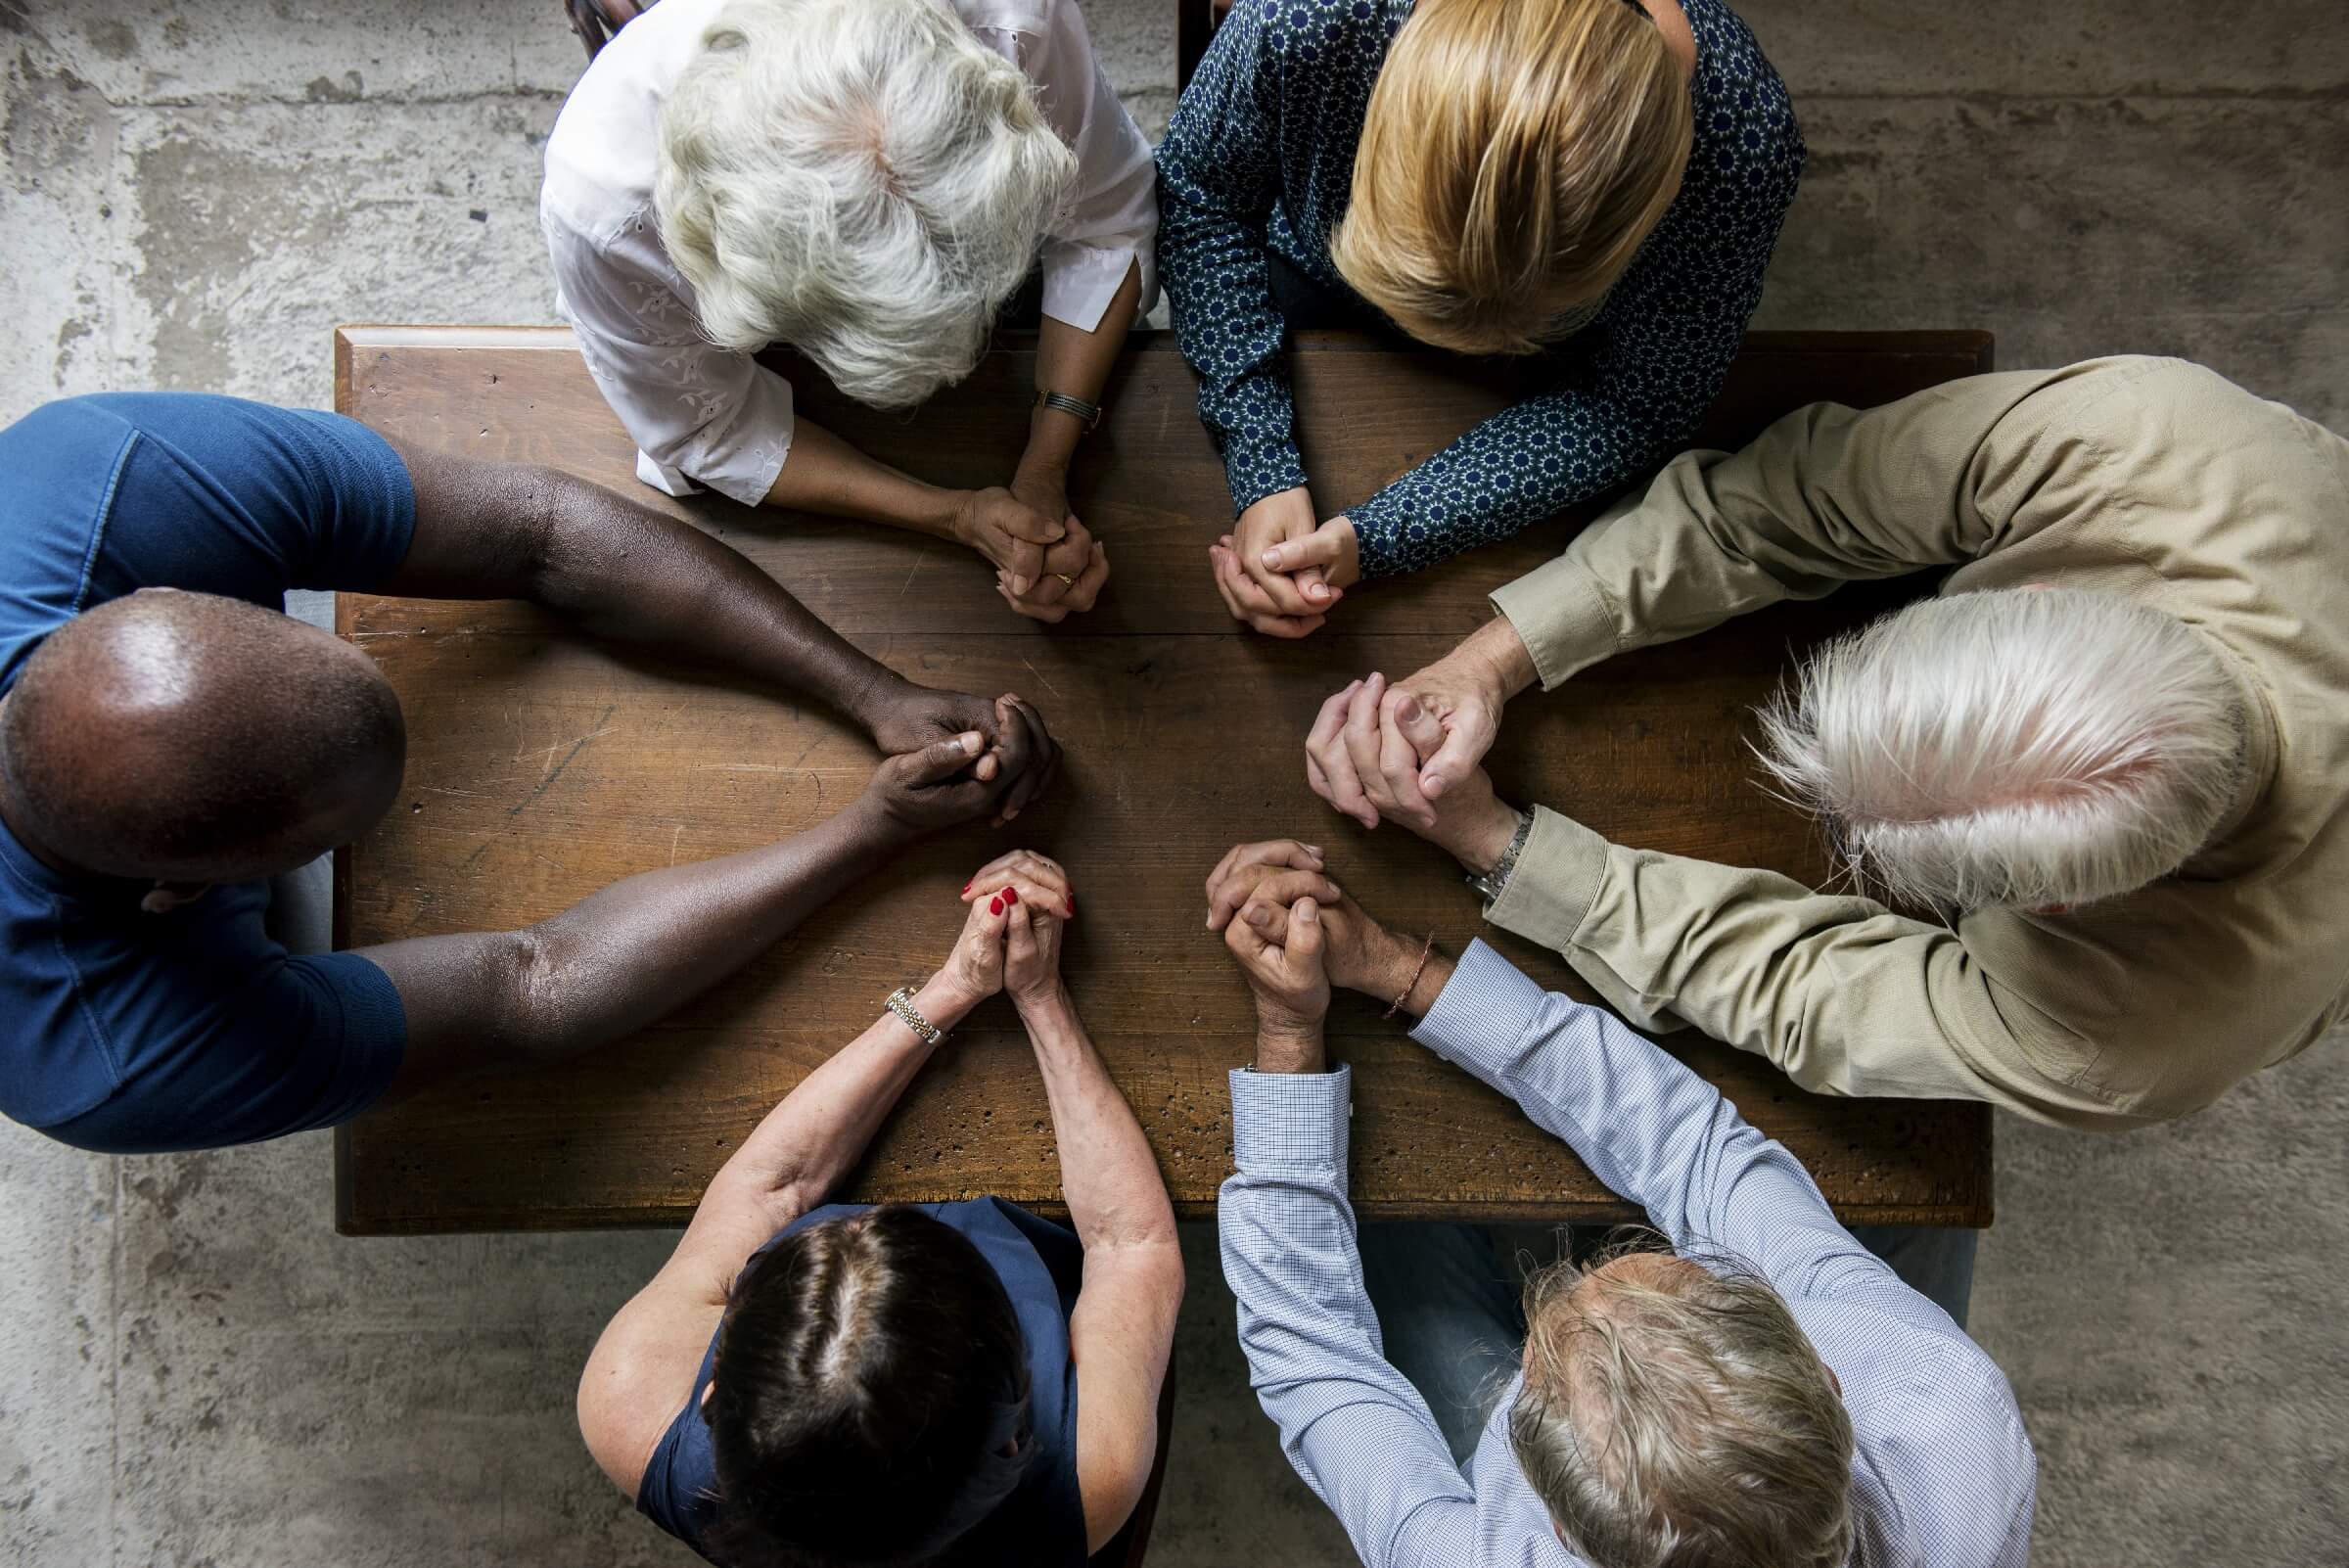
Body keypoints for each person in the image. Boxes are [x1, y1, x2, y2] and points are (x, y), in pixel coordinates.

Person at [1303, 355, 2349, 1131]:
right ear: (2041, 594)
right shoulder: (2153, 436)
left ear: (2055, 905)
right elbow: (1800, 500)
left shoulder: (2126, 1045)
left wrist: (1498, 845)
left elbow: (1800, 991)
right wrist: (1497, 657)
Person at [0, 392, 1060, 1154]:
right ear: (179, 896)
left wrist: (873, 693)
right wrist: (868, 833)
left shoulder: (96, 479)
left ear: (174, 594)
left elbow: (543, 529)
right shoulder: (103, 1058)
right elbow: (531, 983)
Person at [1204, 841, 2036, 1567]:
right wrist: (1396, 967)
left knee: (1386, 1213)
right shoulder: (1941, 1407)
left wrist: (1286, 1033)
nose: (1576, 1278)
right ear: (1826, 1374)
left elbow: (1316, 1358)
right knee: (1920, 1153)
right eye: (1697, 1276)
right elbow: (1700, 1153)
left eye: (1540, 1366)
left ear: (1561, 1532)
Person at [578, 852, 1182, 1567]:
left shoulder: (630, 1405)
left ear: (712, 1399)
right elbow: (1127, 1245)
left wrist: (952, 989)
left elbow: (775, 1188)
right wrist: (1041, 997)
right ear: (1017, 1432)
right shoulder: (1093, 1475)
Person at [1156, 0, 1802, 637]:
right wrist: (1259, 454)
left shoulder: (1744, 145)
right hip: (1304, 264)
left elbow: (1638, 403)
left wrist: (1383, 534)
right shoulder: (1303, 18)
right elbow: (1200, 192)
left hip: (1554, 366)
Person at [542, 0, 1157, 623]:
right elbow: (708, 424)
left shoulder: (1015, 19)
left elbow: (1104, 220)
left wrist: (1047, 464)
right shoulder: (601, 203)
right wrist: (952, 515)